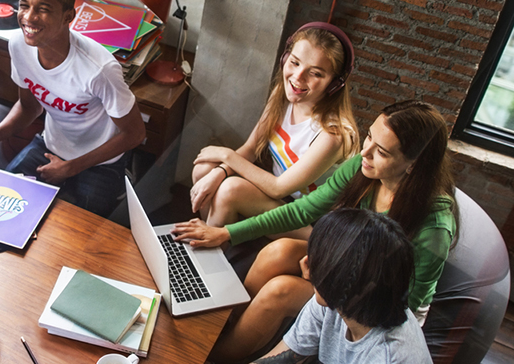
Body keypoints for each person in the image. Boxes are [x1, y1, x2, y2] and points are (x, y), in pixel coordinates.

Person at [173, 100, 456, 361]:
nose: (364, 152)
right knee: (277, 252)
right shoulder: (363, 168)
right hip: (344, 263)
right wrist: (228, 233)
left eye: (381, 152)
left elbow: (405, 304)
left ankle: (214, 356)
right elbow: (301, 211)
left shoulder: (434, 227)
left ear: (413, 164)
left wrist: (335, 291)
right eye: (369, 136)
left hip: (372, 299)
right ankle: (226, 325)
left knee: (279, 291)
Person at [0, 0, 145, 218]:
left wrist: (71, 168)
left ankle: (120, 180)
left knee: (82, 230)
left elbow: (135, 133)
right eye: (25, 5)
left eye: (43, 9)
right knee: (4, 207)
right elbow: (29, 107)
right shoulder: (18, 44)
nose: (28, 17)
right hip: (50, 145)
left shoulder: (100, 69)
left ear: (68, 16)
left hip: (101, 162)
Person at [190, 22, 358, 228]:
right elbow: (251, 149)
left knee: (230, 189)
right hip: (281, 200)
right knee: (204, 170)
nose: (297, 77)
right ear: (285, 59)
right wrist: (220, 171)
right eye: (295, 63)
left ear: (335, 84)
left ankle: (212, 244)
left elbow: (279, 188)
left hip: (307, 220)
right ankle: (212, 238)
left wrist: (226, 156)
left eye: (315, 73)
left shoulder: (333, 135)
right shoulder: (284, 94)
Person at [254, 208, 432, 364]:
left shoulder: (387, 357)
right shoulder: (338, 301)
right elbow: (288, 355)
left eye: (320, 258)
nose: (306, 262)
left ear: (343, 278)